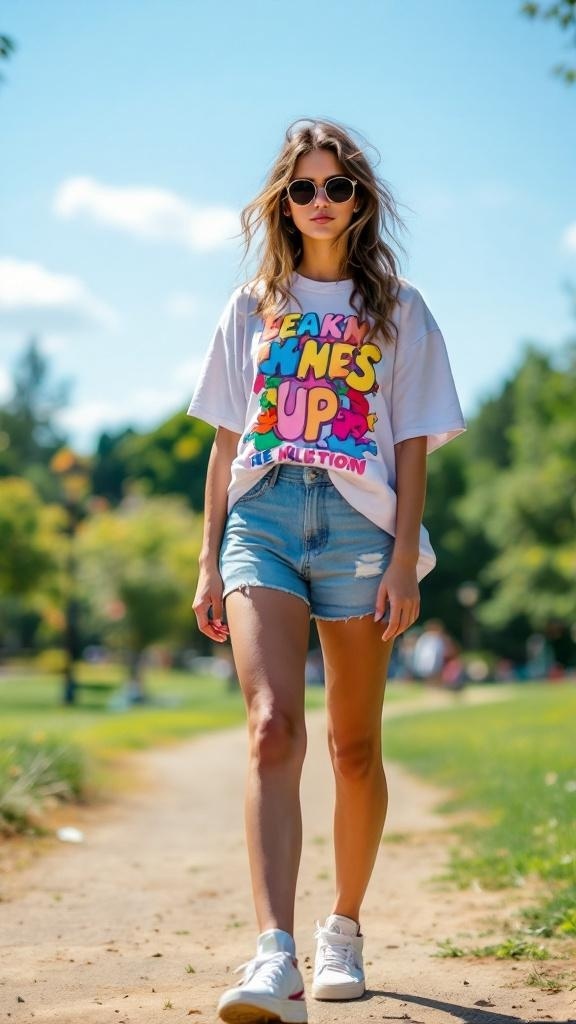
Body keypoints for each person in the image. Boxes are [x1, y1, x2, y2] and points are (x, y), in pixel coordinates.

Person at [187, 117, 466, 1024]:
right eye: (302, 187)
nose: (319, 201)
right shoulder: (251, 307)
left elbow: (413, 440)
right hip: (261, 517)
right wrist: (207, 558)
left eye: (335, 186)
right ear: (283, 201)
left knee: (354, 748)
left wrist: (404, 557)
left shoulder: (401, 309)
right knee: (273, 727)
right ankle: (273, 954)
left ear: (358, 202)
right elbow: (226, 443)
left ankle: (341, 926)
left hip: (361, 528)